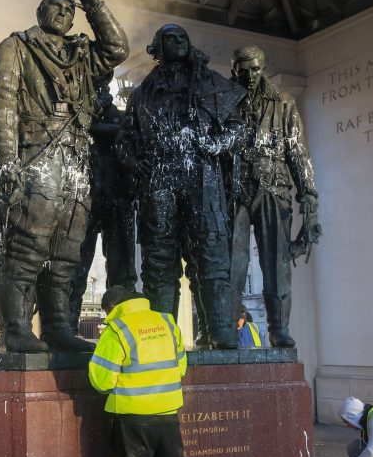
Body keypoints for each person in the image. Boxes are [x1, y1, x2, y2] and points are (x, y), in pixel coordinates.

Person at [0, 0, 129, 353]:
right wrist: (6, 161)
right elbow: (2, 105)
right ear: (40, 12)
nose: (64, 12)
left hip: (76, 159)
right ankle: (15, 328)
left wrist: (95, 6)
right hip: (38, 152)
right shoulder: (15, 47)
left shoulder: (80, 54)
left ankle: (56, 326)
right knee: (27, 245)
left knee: (67, 248)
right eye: (56, 6)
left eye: (70, 9)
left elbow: (117, 49)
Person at [117, 24, 245, 349]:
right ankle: (162, 338)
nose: (177, 42)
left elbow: (238, 126)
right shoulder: (144, 92)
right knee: (159, 261)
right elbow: (125, 140)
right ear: (158, 48)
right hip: (159, 183)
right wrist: (136, 163)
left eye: (182, 37)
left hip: (202, 178)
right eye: (170, 38)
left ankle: (219, 332)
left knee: (211, 254)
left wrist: (217, 144)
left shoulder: (210, 82)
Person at [88, 285, 192, 457]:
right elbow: (181, 366)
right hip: (168, 415)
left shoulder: (117, 329)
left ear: (112, 307)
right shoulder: (166, 322)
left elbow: (101, 380)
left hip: (133, 421)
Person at [229, 45, 321, 348]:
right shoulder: (224, 102)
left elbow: (298, 153)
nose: (251, 75)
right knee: (232, 262)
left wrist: (309, 199)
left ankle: (279, 329)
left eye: (256, 69)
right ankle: (227, 328)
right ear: (234, 69)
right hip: (236, 190)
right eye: (245, 69)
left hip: (274, 188)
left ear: (263, 68)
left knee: (277, 263)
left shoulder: (283, 103)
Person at [68, 72, 138, 334]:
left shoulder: (118, 119)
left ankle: (127, 325)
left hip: (117, 200)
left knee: (122, 268)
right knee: (75, 265)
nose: (99, 92)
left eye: (102, 86)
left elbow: (127, 136)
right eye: (93, 86)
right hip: (85, 200)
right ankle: (67, 327)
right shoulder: (76, 117)